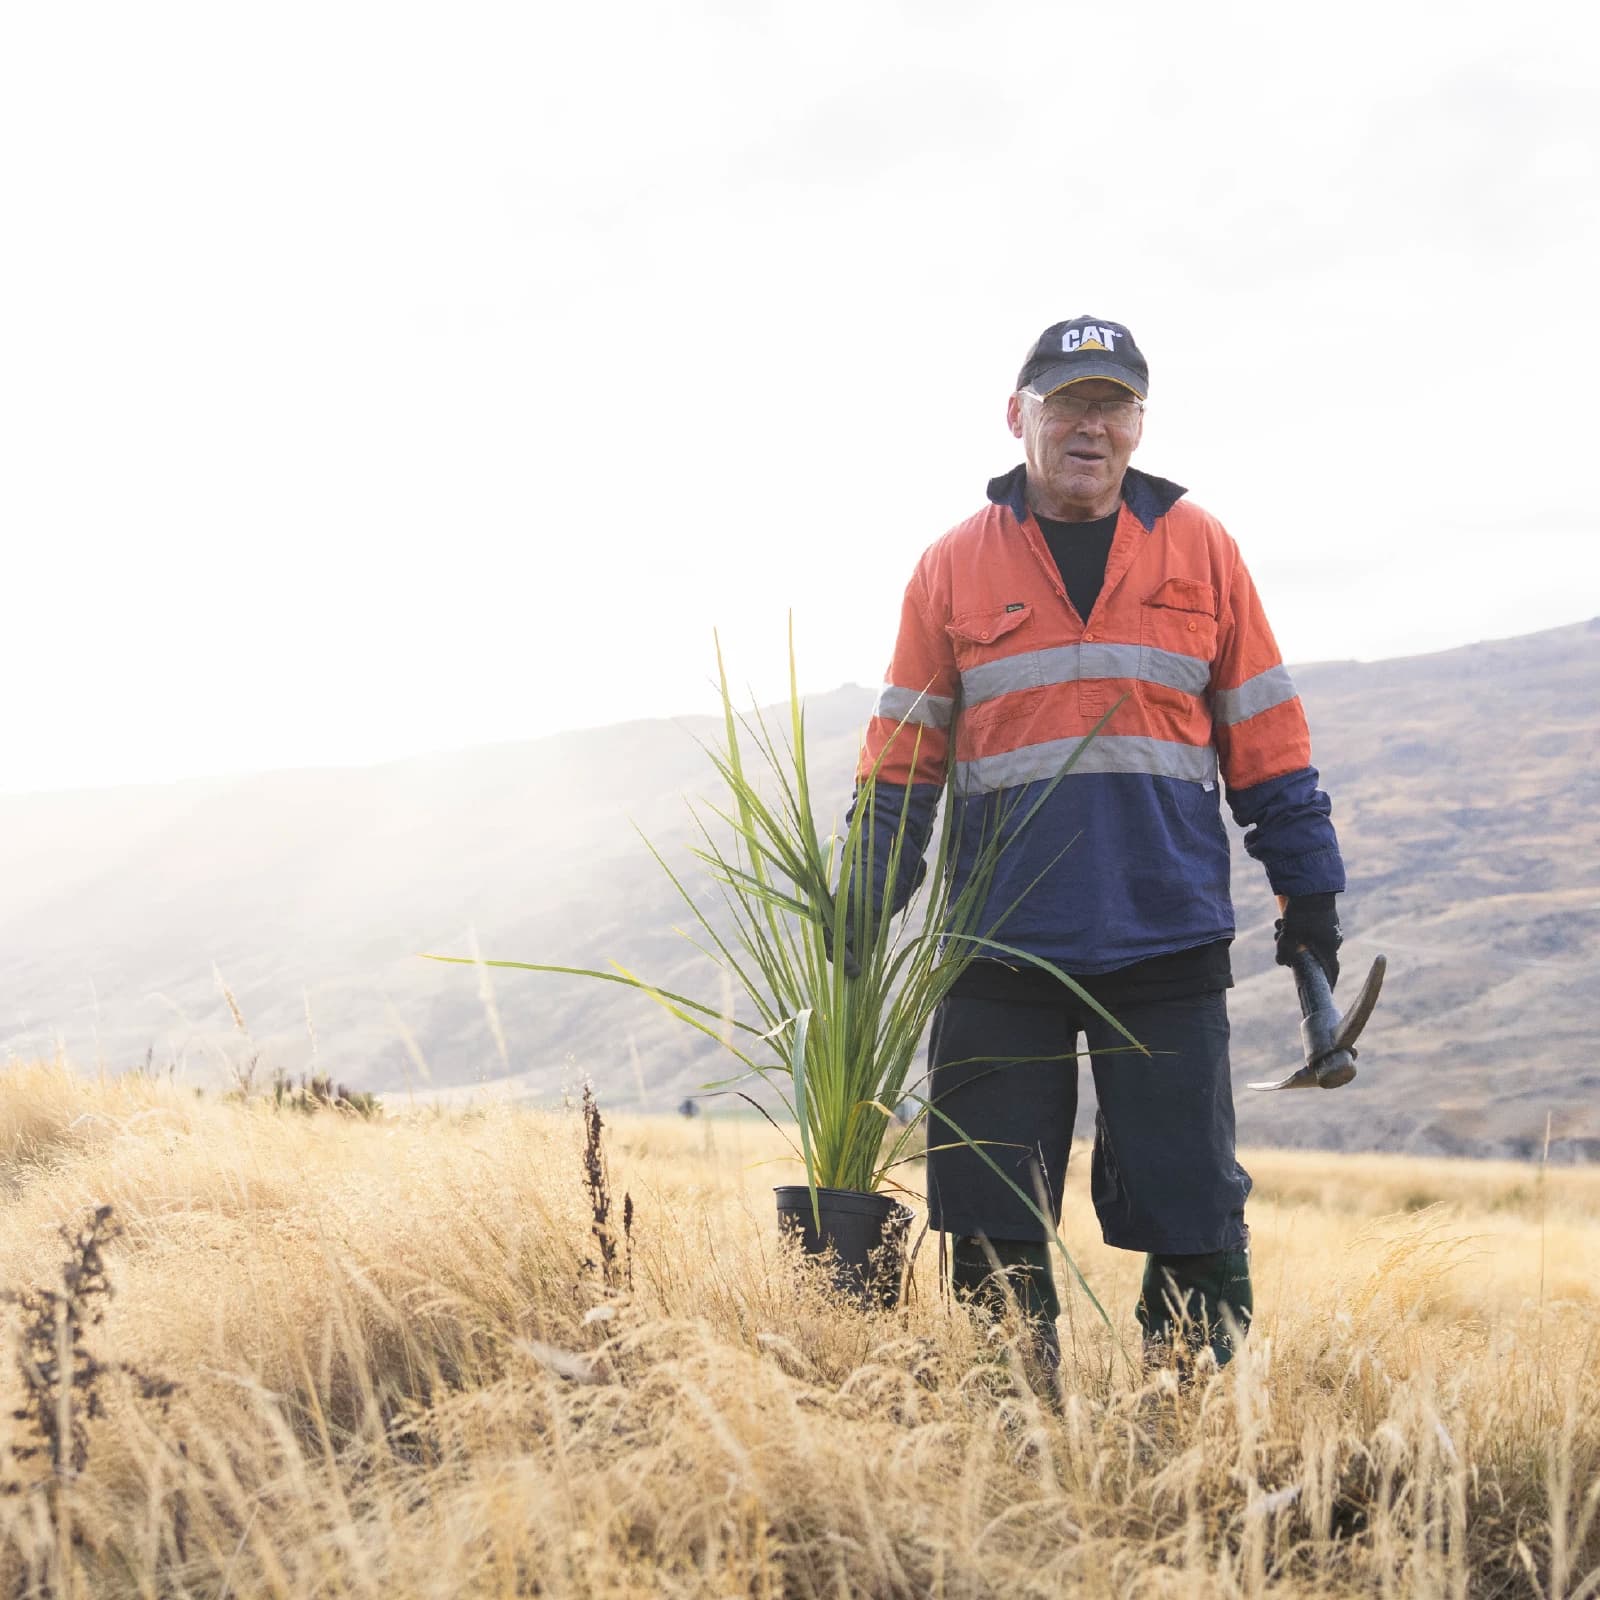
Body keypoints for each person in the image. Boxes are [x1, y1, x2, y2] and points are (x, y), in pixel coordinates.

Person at [845, 316, 1345, 1373]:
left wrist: (1309, 895)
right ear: (1016, 415)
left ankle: (1188, 1418)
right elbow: (901, 762)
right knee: (986, 1203)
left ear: (1138, 422)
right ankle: (1012, 1423)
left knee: (1193, 1196)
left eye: (1112, 404)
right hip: (996, 943)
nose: (1091, 425)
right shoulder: (950, 567)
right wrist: (865, 900)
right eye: (1068, 402)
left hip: (1162, 934)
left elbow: (1264, 734)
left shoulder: (1203, 548)